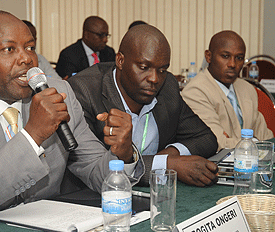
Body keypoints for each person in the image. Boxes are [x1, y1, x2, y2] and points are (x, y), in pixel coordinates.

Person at [0, 10, 144, 226]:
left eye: (30, 47)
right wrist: (32, 135)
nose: (26, 58)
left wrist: (122, 154)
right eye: (9, 49)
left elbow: (96, 171)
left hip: (45, 226)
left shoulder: (56, 93)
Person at [68, 24, 219, 187]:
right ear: (120, 60)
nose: (154, 78)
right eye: (144, 67)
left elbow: (206, 138)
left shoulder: (167, 86)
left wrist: (169, 156)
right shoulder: (84, 91)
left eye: (162, 70)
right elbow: (97, 170)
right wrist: (167, 165)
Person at [182, 30, 274, 149]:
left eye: (239, 58)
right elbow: (217, 143)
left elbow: (266, 138)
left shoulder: (247, 88)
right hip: (217, 165)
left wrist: (234, 141)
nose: (232, 64)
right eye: (225, 56)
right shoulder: (195, 91)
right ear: (208, 56)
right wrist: (254, 142)